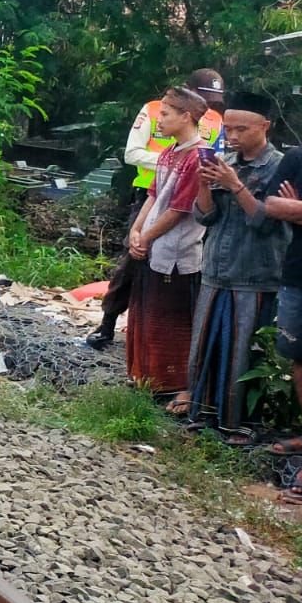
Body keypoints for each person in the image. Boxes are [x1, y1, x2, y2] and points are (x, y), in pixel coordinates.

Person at [87, 68, 226, 348]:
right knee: (132, 261)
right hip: (149, 198)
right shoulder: (154, 111)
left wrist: (187, 170)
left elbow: (218, 160)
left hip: (189, 207)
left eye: (211, 99)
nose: (206, 103)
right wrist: (172, 164)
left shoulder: (215, 121)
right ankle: (109, 322)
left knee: (180, 270)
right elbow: (132, 153)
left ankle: (171, 340)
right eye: (201, 96)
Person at [182, 92, 287, 439]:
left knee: (244, 352)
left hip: (254, 273)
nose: (233, 136)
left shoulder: (280, 167)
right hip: (215, 268)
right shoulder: (224, 158)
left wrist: (235, 185)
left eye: (242, 129)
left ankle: (239, 424)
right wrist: (204, 185)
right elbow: (205, 216)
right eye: (228, 128)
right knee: (205, 346)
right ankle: (203, 415)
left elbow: (265, 221)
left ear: (265, 126)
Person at [125, 86, 209, 397]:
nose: (158, 120)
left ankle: (178, 386)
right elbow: (153, 195)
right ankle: (147, 377)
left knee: (174, 322)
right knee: (147, 313)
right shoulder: (169, 153)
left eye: (165, 114)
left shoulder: (197, 157)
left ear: (186, 117)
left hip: (178, 253)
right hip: (153, 246)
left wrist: (144, 236)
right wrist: (136, 231)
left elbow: (179, 209)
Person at [258, 124, 302, 500]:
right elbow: (271, 206)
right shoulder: (300, 157)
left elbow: (286, 211)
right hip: (299, 274)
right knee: (298, 359)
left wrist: (296, 210)